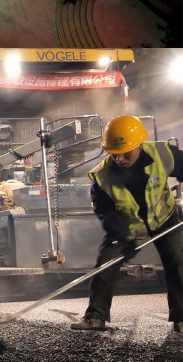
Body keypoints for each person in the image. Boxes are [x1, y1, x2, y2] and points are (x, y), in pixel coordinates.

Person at [71, 116, 183, 333]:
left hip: (165, 218)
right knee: (106, 263)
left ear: (139, 146)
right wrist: (123, 234)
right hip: (128, 227)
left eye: (125, 152)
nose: (119, 158)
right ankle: (95, 317)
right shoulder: (102, 177)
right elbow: (106, 213)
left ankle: (182, 318)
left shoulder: (163, 154)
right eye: (114, 153)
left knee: (179, 262)